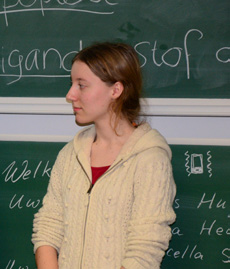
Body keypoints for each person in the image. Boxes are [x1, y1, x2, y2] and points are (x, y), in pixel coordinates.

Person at [32, 42, 176, 269]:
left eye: (82, 85)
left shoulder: (150, 159)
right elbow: (49, 224)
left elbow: (145, 248)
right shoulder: (71, 154)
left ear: (115, 90)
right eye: (72, 84)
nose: (70, 95)